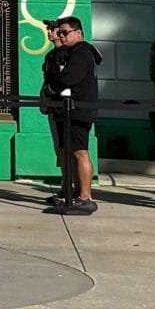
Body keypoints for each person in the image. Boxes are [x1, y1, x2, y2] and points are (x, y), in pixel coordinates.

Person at [42, 15, 101, 215]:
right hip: (68, 109)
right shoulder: (71, 52)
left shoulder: (82, 52)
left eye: (65, 32)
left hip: (78, 110)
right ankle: (75, 193)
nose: (61, 36)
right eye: (60, 32)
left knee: (80, 152)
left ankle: (85, 197)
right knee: (69, 152)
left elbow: (70, 77)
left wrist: (51, 89)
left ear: (78, 33)